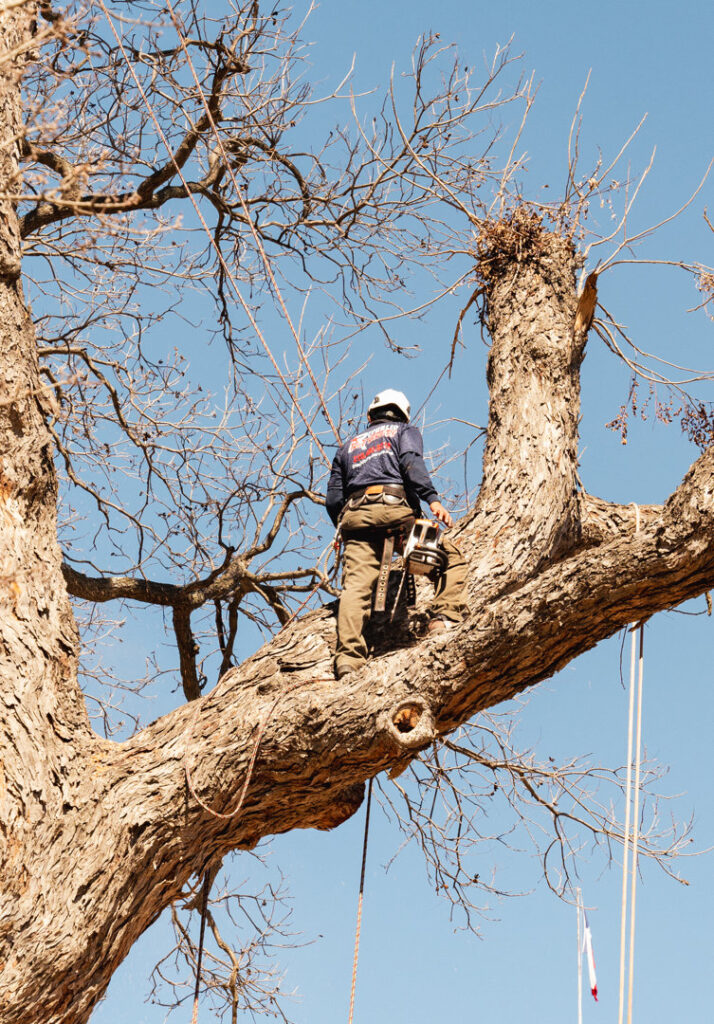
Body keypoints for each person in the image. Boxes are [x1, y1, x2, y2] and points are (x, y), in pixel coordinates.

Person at [326, 388, 469, 679]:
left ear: (369, 416)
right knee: (450, 558)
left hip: (356, 518)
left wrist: (344, 527)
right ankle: (443, 617)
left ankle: (348, 660)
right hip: (395, 512)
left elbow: (333, 498)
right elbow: (411, 463)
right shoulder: (404, 431)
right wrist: (433, 500)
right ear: (403, 415)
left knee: (355, 589)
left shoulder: (347, 446)